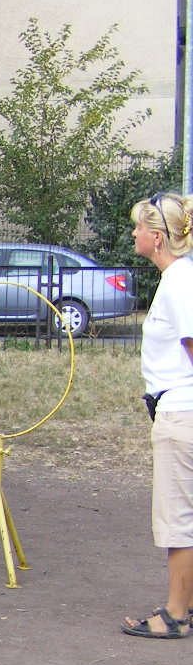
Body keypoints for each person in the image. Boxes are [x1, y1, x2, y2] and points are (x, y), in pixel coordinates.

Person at [122, 192, 193, 638]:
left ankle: (176, 615)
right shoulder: (179, 278)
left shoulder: (179, 282)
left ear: (157, 237)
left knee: (178, 520)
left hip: (181, 413)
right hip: (178, 409)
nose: (133, 234)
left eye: (137, 227)